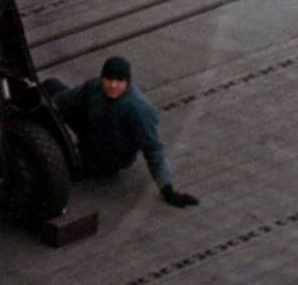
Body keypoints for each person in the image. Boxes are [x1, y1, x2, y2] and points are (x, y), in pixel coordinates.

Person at [54, 55, 199, 207]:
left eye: (119, 81)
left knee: (64, 167)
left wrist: (168, 190)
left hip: (108, 156)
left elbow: (153, 150)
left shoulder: (139, 110)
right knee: (52, 86)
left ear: (127, 82)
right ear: (102, 78)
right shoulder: (95, 86)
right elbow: (66, 99)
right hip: (93, 128)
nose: (113, 85)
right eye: (109, 80)